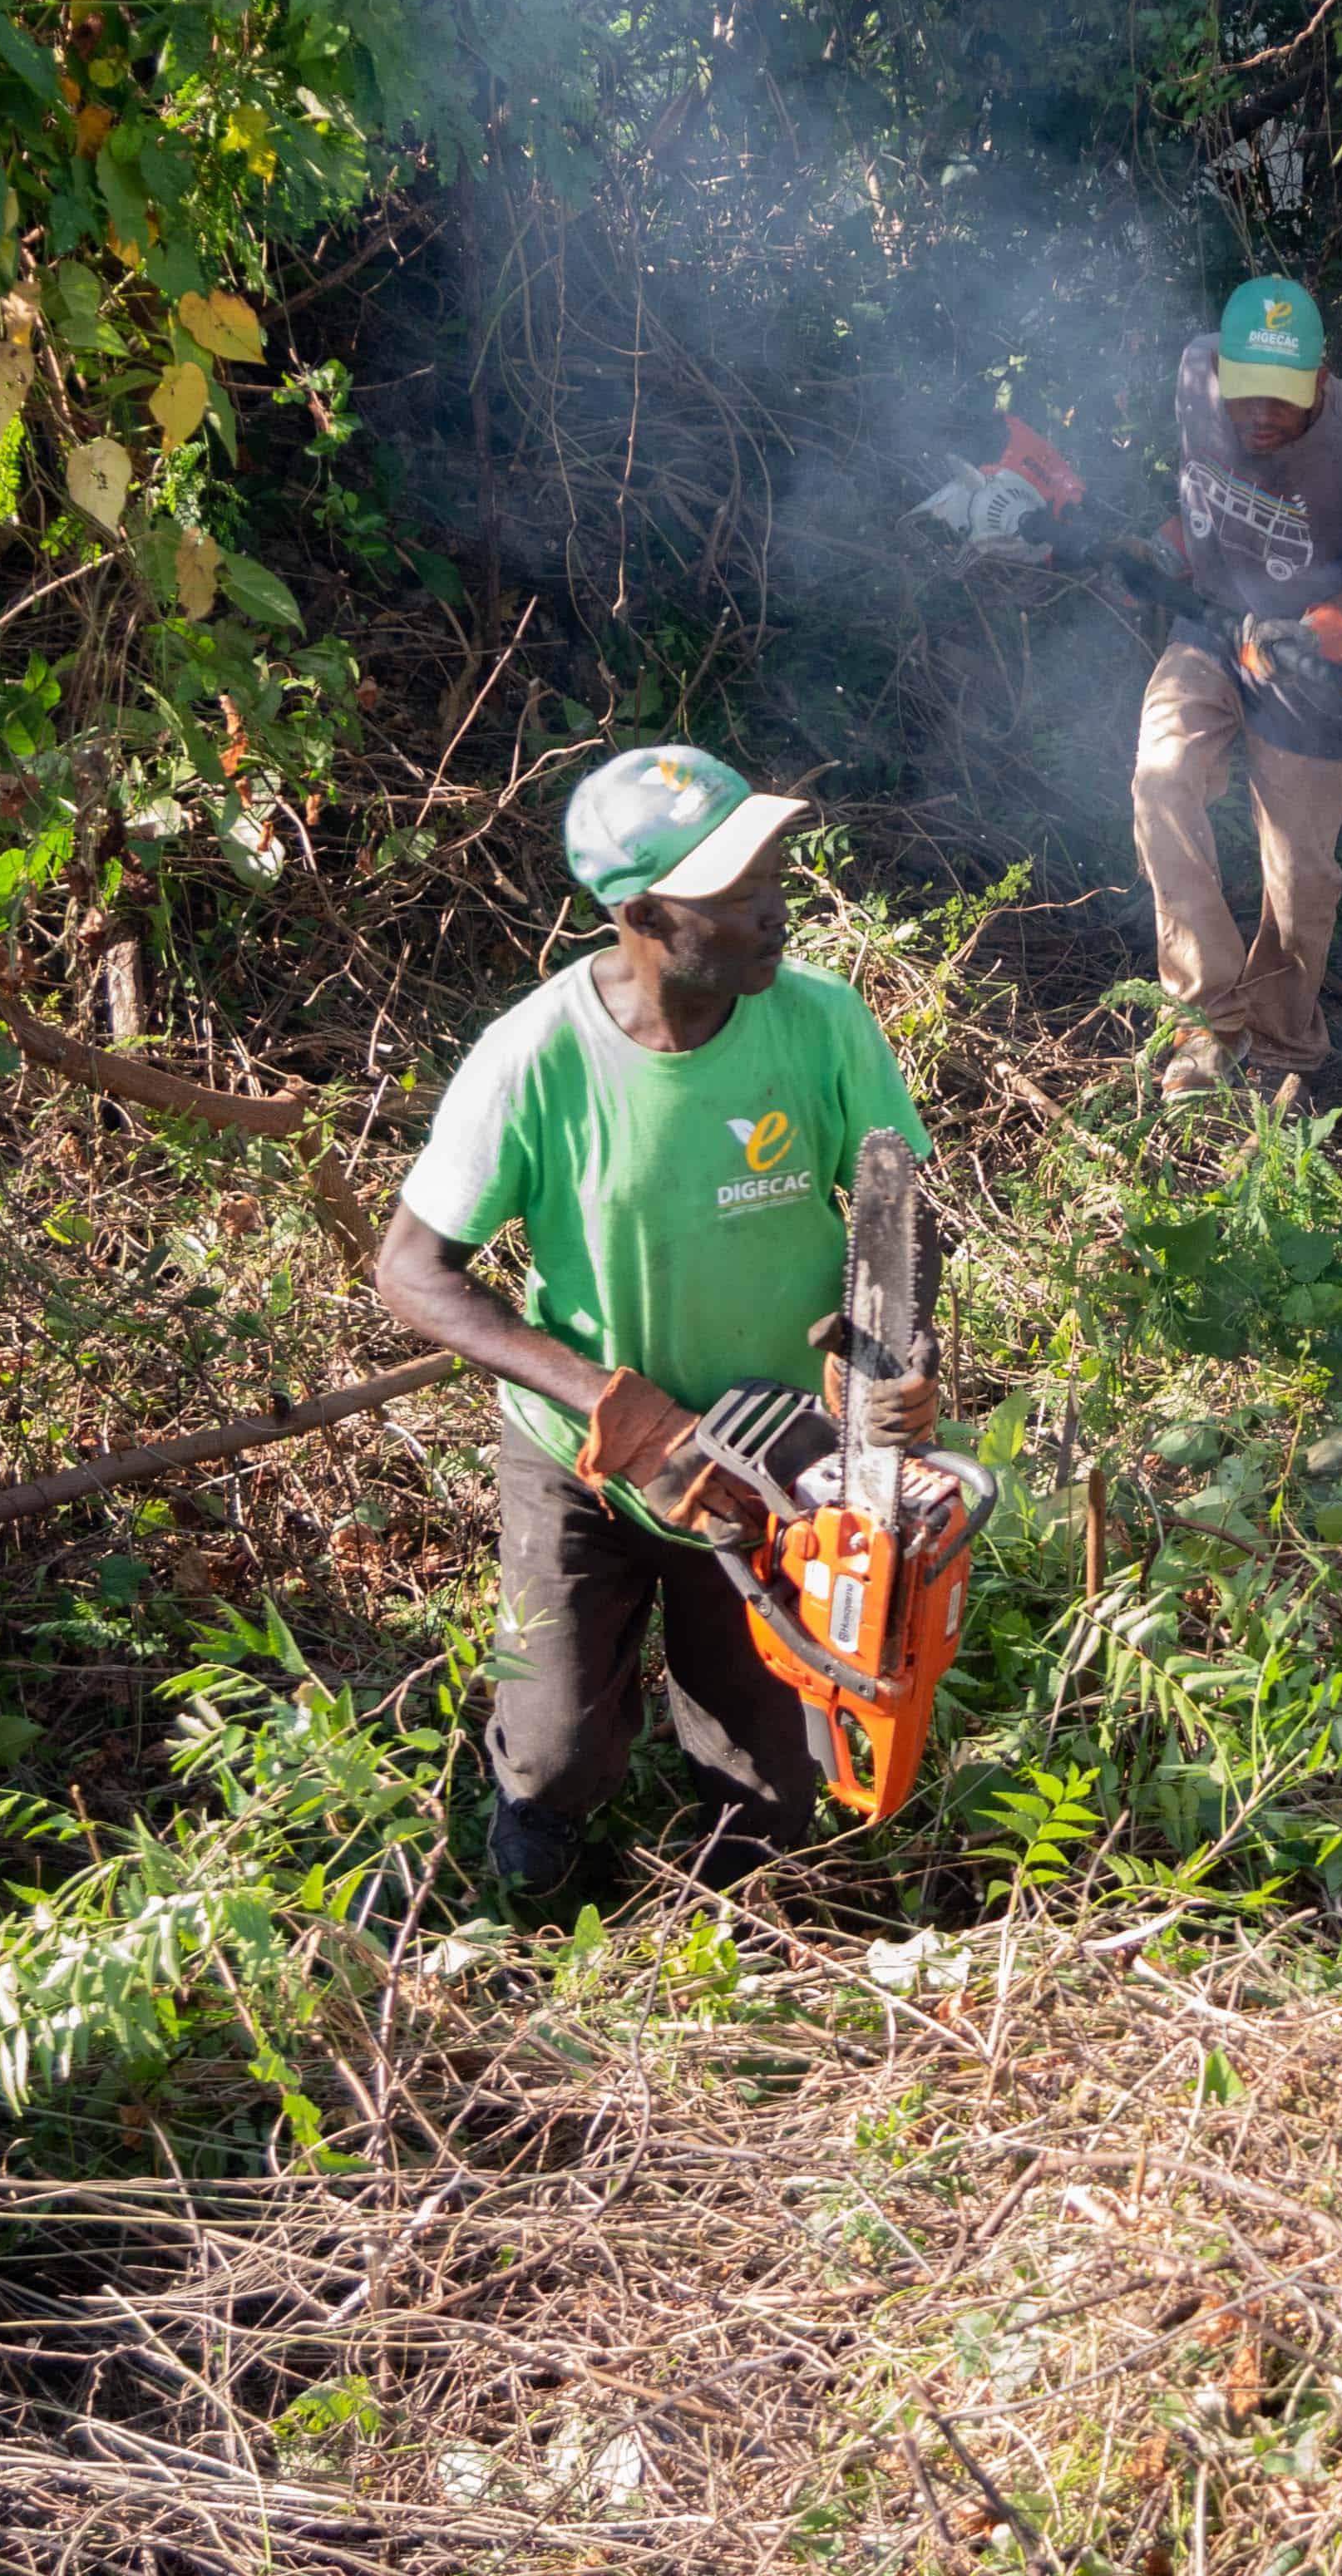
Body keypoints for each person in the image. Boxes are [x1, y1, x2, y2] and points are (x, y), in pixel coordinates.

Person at [374, 746, 936, 1895]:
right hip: (585, 1464)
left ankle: (738, 1932)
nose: (774, 911)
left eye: (774, 874)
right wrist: (614, 1408)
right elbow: (413, 1270)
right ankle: (531, 1895)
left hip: (776, 1465)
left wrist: (895, 1355)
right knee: (557, 1751)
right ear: (639, 914)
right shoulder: (537, 1058)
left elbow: (902, 1211)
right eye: (733, 895)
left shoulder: (821, 1024)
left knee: (776, 1787)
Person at [1132, 273, 1342, 1104]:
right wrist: (1164, 546)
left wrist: (1339, 613)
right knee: (1160, 780)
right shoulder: (1195, 376)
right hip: (1211, 624)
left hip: (1310, 660)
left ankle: (1283, 1040)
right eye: (1246, 394)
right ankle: (1208, 1018)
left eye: (1284, 398)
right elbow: (1197, 490)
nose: (1261, 414)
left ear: (1323, 383)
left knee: (1300, 872)